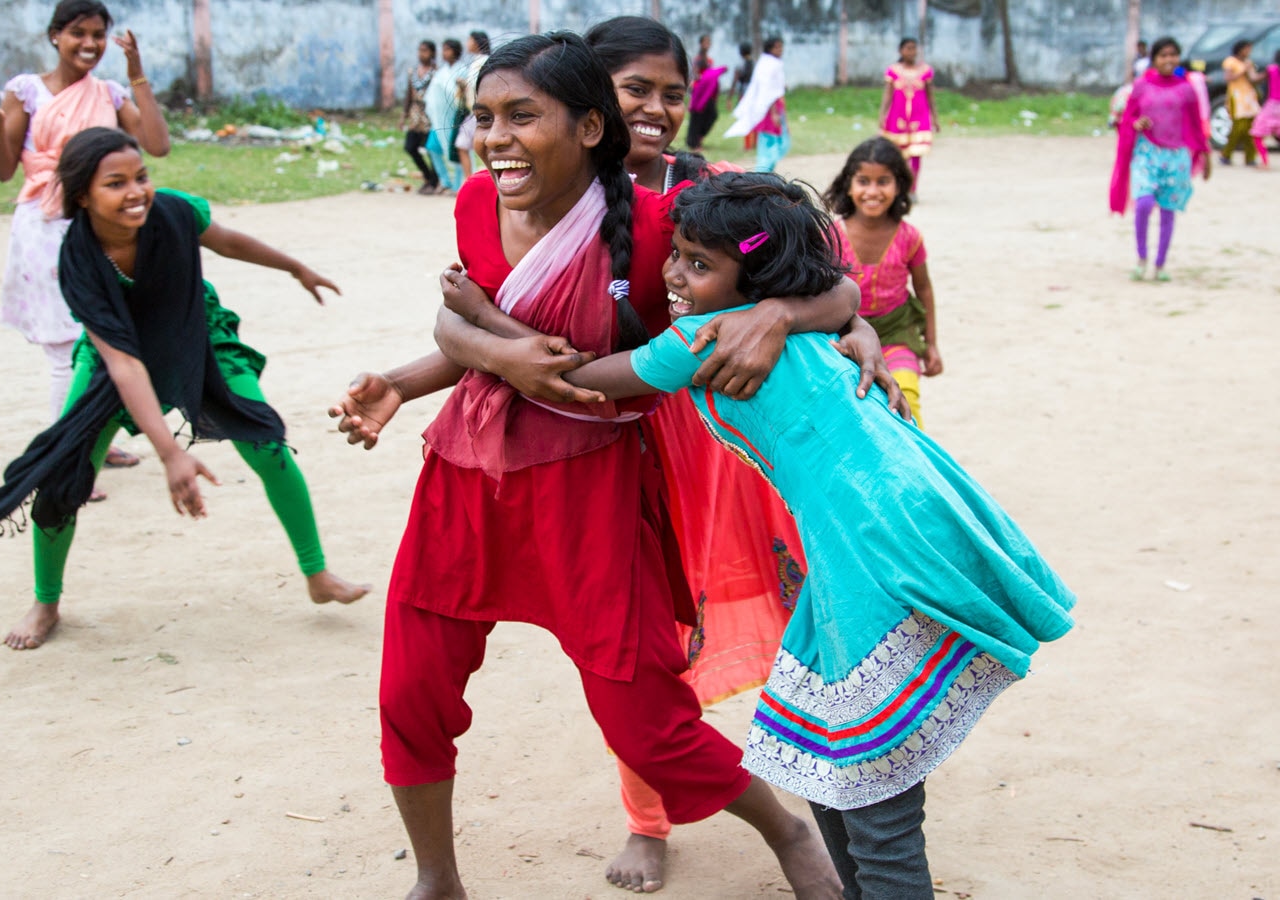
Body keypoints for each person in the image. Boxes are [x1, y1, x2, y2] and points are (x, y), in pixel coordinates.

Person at [330, 32, 860, 900]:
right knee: (410, 693)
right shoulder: (472, 201)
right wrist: (406, 380)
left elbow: (836, 291)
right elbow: (460, 321)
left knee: (647, 722)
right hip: (468, 474)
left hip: (594, 489)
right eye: (484, 118)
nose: (494, 137)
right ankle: (436, 880)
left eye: (521, 117)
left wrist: (780, 317)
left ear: (588, 127)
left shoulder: (666, 225)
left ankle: (787, 832)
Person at [560, 171, 1075, 899]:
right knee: (826, 761)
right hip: (900, 519)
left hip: (872, 548)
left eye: (698, 264)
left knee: (873, 798)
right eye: (675, 253)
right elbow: (846, 300)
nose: (674, 272)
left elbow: (582, 378)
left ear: (763, 280)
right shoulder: (811, 318)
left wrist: (472, 331)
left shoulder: (696, 337)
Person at [584, 17, 907, 893]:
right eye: (633, 89)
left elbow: (832, 281)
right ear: (588, 98)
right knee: (649, 644)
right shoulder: (571, 200)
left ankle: (848, 777)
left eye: (669, 91)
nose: (654, 107)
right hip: (633, 449)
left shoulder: (715, 187)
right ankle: (648, 820)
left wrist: (782, 315)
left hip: (742, 448)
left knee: (811, 614)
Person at [0, 127, 369, 650]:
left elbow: (227, 241)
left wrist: (295, 268)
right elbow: (124, 365)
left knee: (265, 439)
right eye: (115, 183)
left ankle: (317, 574)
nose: (136, 191)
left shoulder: (173, 211)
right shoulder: (78, 262)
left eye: (141, 176)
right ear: (83, 195)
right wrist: (170, 451)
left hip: (198, 332)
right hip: (119, 353)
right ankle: (46, 600)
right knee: (64, 471)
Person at [0, 0, 169, 491]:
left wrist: (138, 75)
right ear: (55, 36)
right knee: (66, 347)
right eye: (78, 32)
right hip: (47, 227)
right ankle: (65, 463)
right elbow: (1, 169)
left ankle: (92, 442)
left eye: (98, 34)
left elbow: (158, 145)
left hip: (105, 231)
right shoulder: (26, 92)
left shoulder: (109, 92)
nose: (90, 44)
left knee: (107, 343)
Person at [824, 137, 940, 427]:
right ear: (848, 185)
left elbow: (923, 288)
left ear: (899, 185)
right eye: (864, 181)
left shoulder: (910, 238)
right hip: (845, 335)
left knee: (906, 398)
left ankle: (915, 461)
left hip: (897, 334)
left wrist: (932, 344)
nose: (872, 191)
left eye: (883, 182)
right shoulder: (832, 236)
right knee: (852, 405)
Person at [1109, 37, 1209, 283]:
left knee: (1167, 211)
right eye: (1163, 55)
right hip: (1147, 153)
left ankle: (1160, 264)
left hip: (1176, 157)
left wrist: (1205, 154)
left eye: (1173, 55)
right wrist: (1135, 123)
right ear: (1154, 59)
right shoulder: (1142, 86)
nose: (1169, 59)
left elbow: (1196, 124)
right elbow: (1129, 118)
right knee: (1143, 204)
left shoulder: (1186, 89)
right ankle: (1141, 258)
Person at [723, 35, 787, 172]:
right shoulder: (768, 64)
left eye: (781, 47)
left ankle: (767, 171)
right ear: (770, 48)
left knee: (779, 143)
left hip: (775, 107)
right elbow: (767, 90)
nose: (781, 50)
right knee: (770, 143)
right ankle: (762, 173)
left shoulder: (769, 63)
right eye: (777, 47)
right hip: (769, 109)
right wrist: (774, 111)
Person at [880, 37, 934, 192]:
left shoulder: (925, 71)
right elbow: (887, 96)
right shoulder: (893, 71)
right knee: (897, 156)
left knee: (916, 155)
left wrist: (934, 118)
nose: (912, 52)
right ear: (901, 50)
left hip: (919, 117)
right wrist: (882, 117)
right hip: (897, 119)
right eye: (908, 48)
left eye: (914, 48)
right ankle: (899, 188)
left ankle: (913, 189)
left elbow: (930, 96)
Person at [422, 39, 463, 193]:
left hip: (454, 118)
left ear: (455, 51)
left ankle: (457, 185)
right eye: (443, 49)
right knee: (432, 148)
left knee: (456, 152)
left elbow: (459, 94)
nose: (444, 53)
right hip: (438, 119)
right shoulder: (441, 71)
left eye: (447, 49)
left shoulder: (461, 70)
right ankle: (445, 180)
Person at [400, 40, 441, 194]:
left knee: (430, 149)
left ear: (432, 53)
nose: (421, 54)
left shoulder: (436, 72)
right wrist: (404, 116)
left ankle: (434, 181)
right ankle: (428, 176)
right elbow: (408, 95)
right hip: (415, 115)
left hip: (429, 114)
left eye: (425, 50)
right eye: (420, 50)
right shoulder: (413, 71)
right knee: (410, 147)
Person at [1220, 39, 1266, 167]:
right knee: (1238, 128)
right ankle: (1226, 154)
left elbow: (1253, 78)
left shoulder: (1248, 62)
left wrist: (1265, 74)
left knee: (1250, 129)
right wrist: (1242, 70)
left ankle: (1250, 157)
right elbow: (1228, 78)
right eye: (1247, 49)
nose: (1248, 52)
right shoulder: (1231, 61)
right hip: (1236, 96)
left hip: (1249, 97)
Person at [452, 30, 490, 177]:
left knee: (465, 144)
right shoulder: (476, 61)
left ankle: (475, 181)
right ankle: (471, 180)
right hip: (473, 111)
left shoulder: (482, 61)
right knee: (463, 144)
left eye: (469, 40)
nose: (467, 43)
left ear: (477, 42)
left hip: (480, 111)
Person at [684, 34, 725, 152]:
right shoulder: (698, 59)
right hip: (700, 91)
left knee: (712, 115)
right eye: (706, 42)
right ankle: (694, 142)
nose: (708, 44)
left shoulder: (709, 60)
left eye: (709, 42)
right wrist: (703, 78)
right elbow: (694, 74)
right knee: (697, 117)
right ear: (701, 43)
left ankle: (699, 137)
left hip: (709, 93)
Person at [1249, 49, 1280, 167]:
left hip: (1272, 106)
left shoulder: (1271, 69)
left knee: (1257, 133)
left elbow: (1254, 79)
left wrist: (1249, 68)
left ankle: (1264, 161)